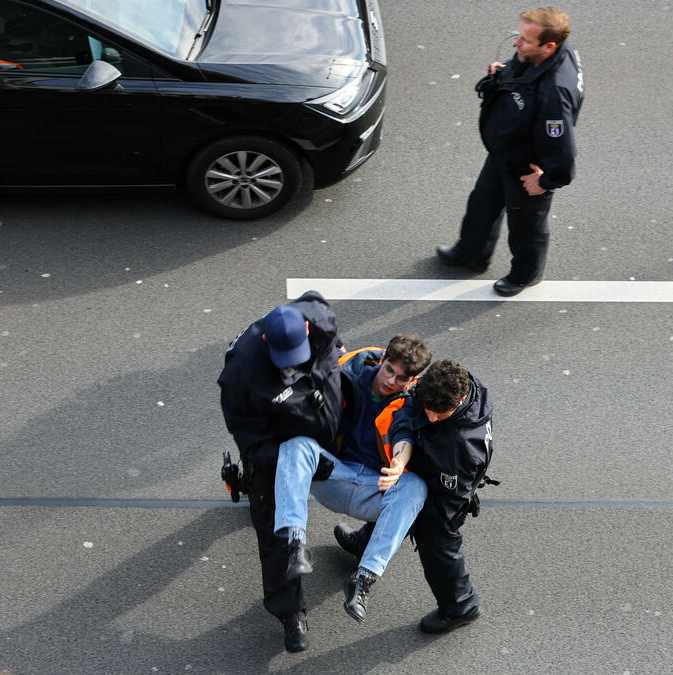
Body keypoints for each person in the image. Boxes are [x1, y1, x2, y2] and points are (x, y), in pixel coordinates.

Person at [273, 335, 431, 626]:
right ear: (382, 360)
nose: (392, 382)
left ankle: (364, 578)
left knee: (415, 486)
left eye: (401, 378)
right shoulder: (346, 373)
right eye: (389, 371)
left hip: (373, 487)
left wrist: (400, 464)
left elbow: (404, 436)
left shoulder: (411, 400)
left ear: (412, 379)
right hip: (332, 473)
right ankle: (295, 544)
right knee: (295, 445)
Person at [217, 291, 344, 653]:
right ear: (265, 342)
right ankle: (290, 614)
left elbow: (335, 353)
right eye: (283, 360)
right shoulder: (241, 375)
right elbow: (252, 442)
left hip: (327, 428)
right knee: (275, 531)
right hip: (276, 444)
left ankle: (366, 538)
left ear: (308, 328)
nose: (290, 366)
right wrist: (294, 463)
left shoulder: (319, 318)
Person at [436, 7, 584, 296]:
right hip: (507, 148)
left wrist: (545, 181)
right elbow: (525, 70)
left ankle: (525, 274)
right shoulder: (550, 52)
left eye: (526, 41)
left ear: (548, 46)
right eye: (519, 36)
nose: (517, 44)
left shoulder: (554, 93)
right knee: (482, 203)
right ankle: (471, 252)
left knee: (526, 224)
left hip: (528, 165)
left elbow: (563, 150)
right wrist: (504, 72)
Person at [394, 359, 494, 633]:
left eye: (440, 414)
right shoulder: (453, 386)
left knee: (437, 542)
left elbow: (449, 494)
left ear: (461, 400)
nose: (431, 417)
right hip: (434, 463)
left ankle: (460, 606)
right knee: (395, 501)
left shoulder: (461, 446)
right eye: (429, 409)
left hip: (448, 490)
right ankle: (367, 542)